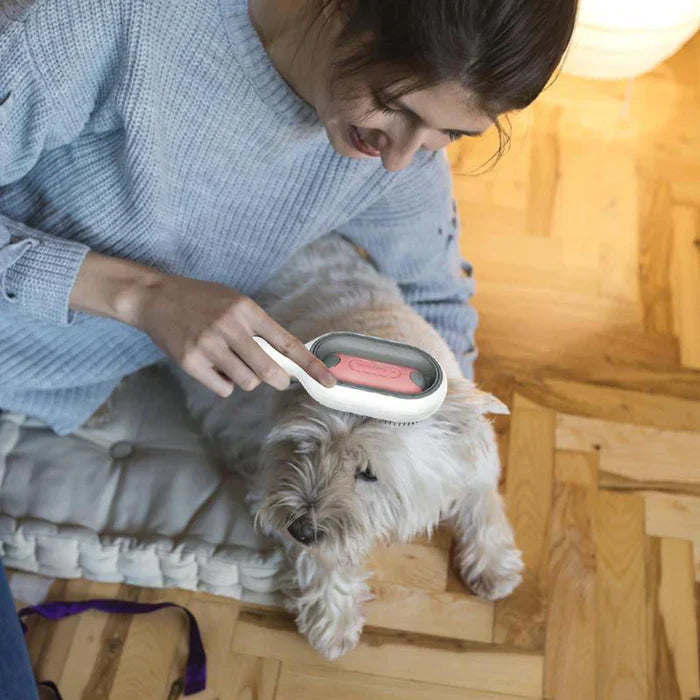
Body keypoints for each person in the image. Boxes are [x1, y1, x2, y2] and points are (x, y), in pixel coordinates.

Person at [0, 0, 576, 434]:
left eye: (450, 133)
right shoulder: (105, 21)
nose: (400, 160)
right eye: (394, 104)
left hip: (55, 397)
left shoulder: (399, 159)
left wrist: (449, 441)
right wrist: (143, 296)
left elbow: (437, 301)